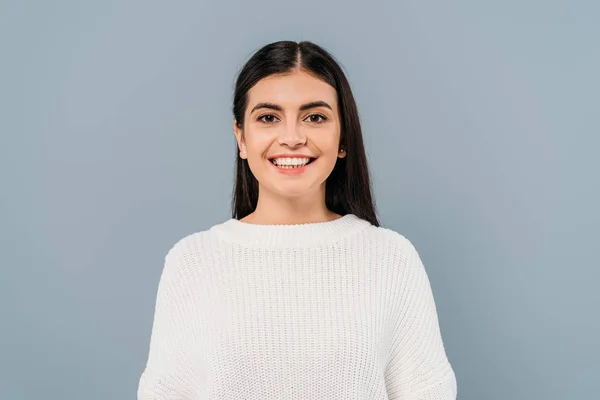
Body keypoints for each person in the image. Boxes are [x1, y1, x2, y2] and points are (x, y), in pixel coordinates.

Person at [137, 40, 457, 399]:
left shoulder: (391, 258)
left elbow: (427, 391)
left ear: (343, 138)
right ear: (240, 137)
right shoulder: (192, 262)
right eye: (268, 117)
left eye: (315, 117)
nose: (292, 138)